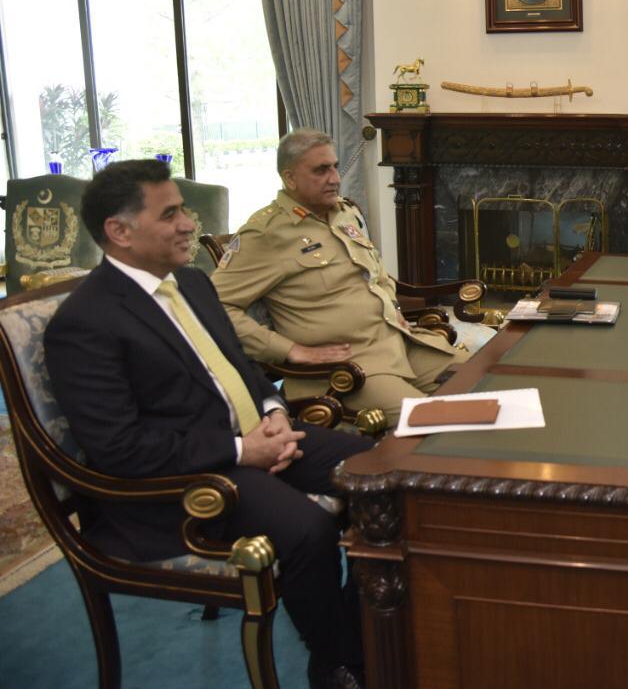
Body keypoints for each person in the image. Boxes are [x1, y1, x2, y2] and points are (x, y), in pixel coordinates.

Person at [44, 159, 370, 689]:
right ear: (119, 232)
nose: (189, 225)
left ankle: (364, 633)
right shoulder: (85, 322)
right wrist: (243, 451)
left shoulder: (192, 282)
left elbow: (243, 369)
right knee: (307, 532)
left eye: (184, 211)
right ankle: (338, 662)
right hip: (181, 486)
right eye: (170, 214)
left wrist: (274, 414)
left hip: (254, 443)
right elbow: (120, 449)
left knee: (382, 475)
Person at [211, 129, 465, 423]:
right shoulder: (266, 233)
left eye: (334, 167)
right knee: (438, 419)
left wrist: (395, 312)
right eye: (321, 170)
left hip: (399, 344)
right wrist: (288, 350)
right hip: (347, 368)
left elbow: (377, 275)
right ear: (289, 178)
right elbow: (213, 307)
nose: (334, 178)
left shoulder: (345, 214)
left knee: (491, 380)